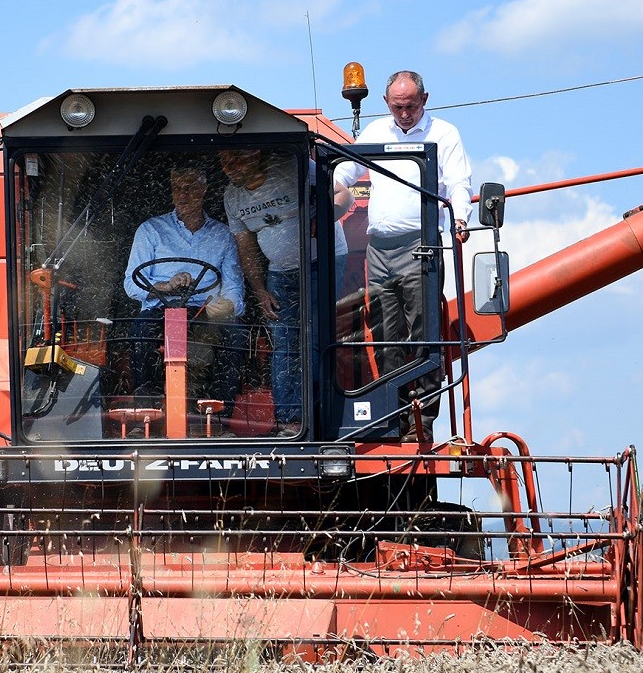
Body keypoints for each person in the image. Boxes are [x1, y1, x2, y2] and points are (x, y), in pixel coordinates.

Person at [334, 71, 474, 423]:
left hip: (421, 247)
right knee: (384, 336)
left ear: (424, 100)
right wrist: (326, 187)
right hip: (378, 249)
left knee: (422, 334)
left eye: (411, 106)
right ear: (386, 104)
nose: (405, 113)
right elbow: (343, 171)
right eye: (398, 107)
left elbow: (459, 182)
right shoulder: (375, 133)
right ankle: (392, 414)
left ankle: (421, 420)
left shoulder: (444, 134)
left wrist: (459, 217)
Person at [220, 147, 351, 435]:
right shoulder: (232, 196)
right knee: (285, 344)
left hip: (324, 262)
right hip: (280, 272)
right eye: (225, 160)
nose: (231, 164)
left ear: (257, 155)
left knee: (317, 339)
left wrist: (326, 217)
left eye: (237, 157)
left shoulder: (293, 166)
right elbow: (246, 247)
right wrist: (259, 290)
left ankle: (319, 417)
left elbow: (344, 195)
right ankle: (292, 420)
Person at [122, 164, 248, 420]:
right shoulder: (150, 230)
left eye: (189, 188)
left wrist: (229, 305)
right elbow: (131, 284)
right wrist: (166, 286)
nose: (182, 195)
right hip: (159, 308)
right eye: (177, 188)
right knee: (140, 334)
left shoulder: (222, 235)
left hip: (204, 311)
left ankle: (221, 415)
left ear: (203, 191)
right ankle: (147, 410)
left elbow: (234, 286)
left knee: (235, 337)